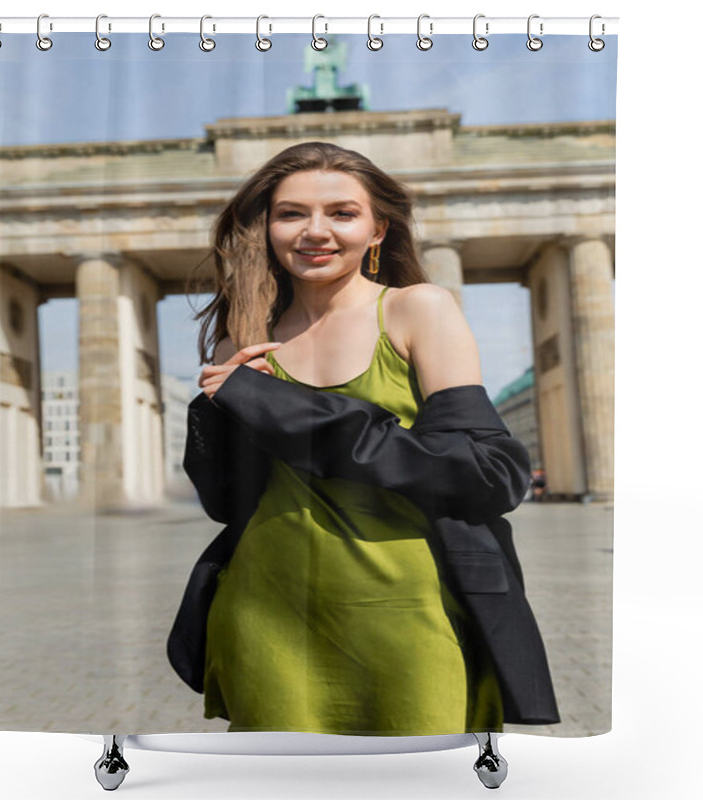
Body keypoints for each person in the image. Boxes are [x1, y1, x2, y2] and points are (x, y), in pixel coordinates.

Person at [190, 141, 515, 736]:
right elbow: (224, 502)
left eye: (342, 213)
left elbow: (485, 472)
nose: (315, 231)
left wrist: (276, 405)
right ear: (266, 228)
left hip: (404, 606)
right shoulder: (241, 336)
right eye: (291, 214)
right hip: (267, 606)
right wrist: (218, 409)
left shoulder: (419, 310)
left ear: (377, 229)